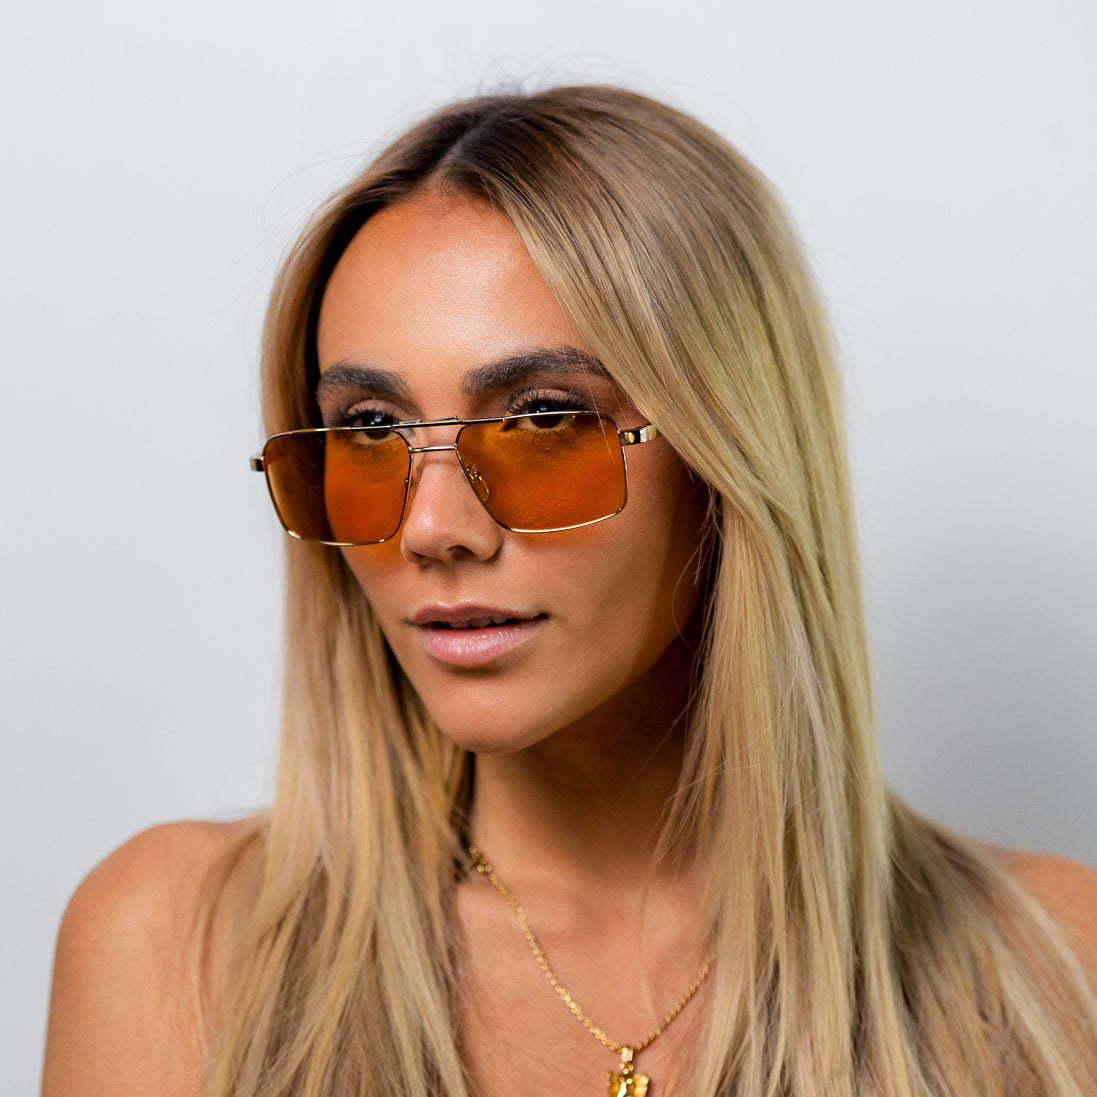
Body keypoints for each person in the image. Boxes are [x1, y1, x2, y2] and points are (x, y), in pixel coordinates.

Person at [42, 85, 1097, 1097]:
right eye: (368, 428)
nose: (431, 527)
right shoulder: (177, 947)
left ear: (727, 455)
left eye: (542, 417)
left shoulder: (1059, 967)